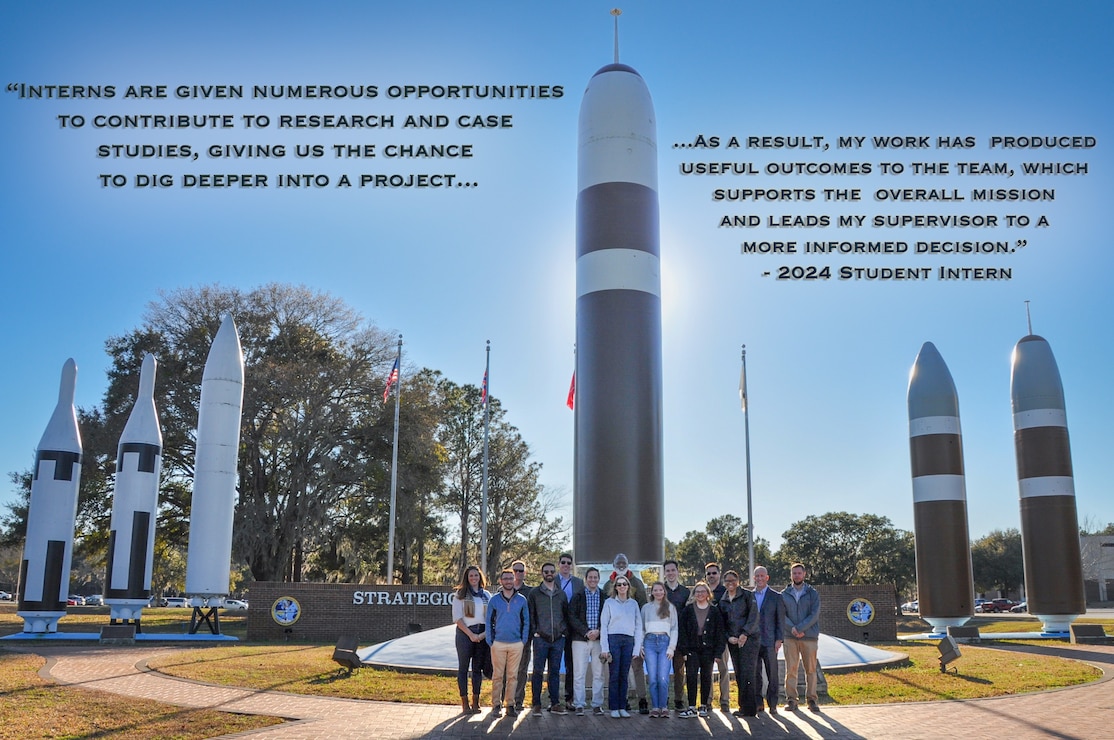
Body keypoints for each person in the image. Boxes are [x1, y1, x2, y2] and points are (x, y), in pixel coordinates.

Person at [602, 553, 648, 713]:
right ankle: (621, 703)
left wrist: (640, 636)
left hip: (632, 635)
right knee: (617, 672)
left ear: (628, 564)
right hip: (614, 636)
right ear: (613, 564)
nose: (621, 565)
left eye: (624, 563)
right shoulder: (608, 583)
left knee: (636, 667)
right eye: (618, 563)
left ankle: (642, 699)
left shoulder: (637, 583)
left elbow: (643, 607)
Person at [677, 580, 727, 718]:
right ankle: (692, 707)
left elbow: (720, 633)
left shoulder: (714, 611)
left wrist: (718, 652)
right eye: (697, 592)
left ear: (708, 594)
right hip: (691, 649)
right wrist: (684, 650)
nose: (700, 594)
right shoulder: (687, 610)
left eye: (702, 591)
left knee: (706, 676)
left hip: (708, 649)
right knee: (691, 677)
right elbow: (682, 631)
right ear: (694, 594)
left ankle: (704, 705)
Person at [526, 562, 570, 715]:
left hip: (558, 639)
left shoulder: (561, 594)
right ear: (542, 573)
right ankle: (536, 704)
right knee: (538, 671)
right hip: (541, 639)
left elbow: (566, 615)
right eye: (546, 571)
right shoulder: (535, 593)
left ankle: (555, 703)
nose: (549, 573)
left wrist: (563, 632)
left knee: (555, 672)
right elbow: (530, 615)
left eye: (552, 571)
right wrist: (535, 632)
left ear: (555, 573)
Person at [486, 568, 530, 717]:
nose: (508, 581)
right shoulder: (494, 600)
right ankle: (496, 705)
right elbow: (488, 621)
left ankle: (510, 704)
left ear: (514, 579)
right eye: (505, 578)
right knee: (497, 676)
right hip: (498, 643)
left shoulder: (522, 599)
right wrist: (490, 640)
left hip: (516, 643)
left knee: (513, 676)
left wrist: (523, 640)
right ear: (501, 581)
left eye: (511, 578)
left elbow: (526, 621)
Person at [599, 575, 643, 718]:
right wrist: (605, 648)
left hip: (628, 641)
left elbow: (638, 626)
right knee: (614, 674)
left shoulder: (634, 604)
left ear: (628, 586)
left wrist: (637, 648)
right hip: (614, 640)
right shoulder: (609, 603)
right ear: (615, 587)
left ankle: (622, 706)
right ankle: (613, 707)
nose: (622, 587)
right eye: (619, 584)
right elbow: (604, 626)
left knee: (624, 675)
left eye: (625, 584)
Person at [718, 569, 760, 717]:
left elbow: (754, 617)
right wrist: (728, 637)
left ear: (738, 581)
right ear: (724, 583)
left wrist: (745, 633)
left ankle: (750, 709)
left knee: (748, 674)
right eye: (727, 581)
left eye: (733, 580)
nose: (730, 583)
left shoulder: (748, 596)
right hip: (733, 641)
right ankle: (743, 707)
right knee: (739, 673)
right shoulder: (722, 601)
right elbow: (722, 623)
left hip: (749, 640)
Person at [781, 562, 821, 713]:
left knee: (810, 670)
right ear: (791, 575)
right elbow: (781, 614)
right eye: (794, 573)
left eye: (799, 573)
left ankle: (812, 700)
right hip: (790, 637)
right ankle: (791, 700)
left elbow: (814, 614)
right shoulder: (784, 594)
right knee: (791, 669)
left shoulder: (812, 593)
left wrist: (800, 628)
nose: (796, 575)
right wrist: (792, 629)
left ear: (804, 574)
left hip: (809, 636)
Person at [452, 565, 491, 715]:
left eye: (476, 575)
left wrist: (482, 635)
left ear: (480, 577)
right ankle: (464, 702)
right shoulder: (460, 595)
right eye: (471, 576)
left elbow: (490, 618)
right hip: (465, 634)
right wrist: (470, 635)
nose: (474, 578)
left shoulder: (487, 595)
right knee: (463, 668)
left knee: (477, 669)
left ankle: (476, 701)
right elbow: (457, 618)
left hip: (482, 634)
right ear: (467, 579)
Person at [568, 566, 607, 715]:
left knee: (598, 673)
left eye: (595, 577)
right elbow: (572, 617)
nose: (593, 580)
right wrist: (586, 632)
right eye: (590, 577)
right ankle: (579, 704)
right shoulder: (577, 596)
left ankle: (597, 704)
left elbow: (607, 618)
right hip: (580, 639)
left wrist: (599, 631)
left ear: (598, 579)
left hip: (599, 640)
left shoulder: (604, 596)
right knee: (579, 673)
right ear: (586, 579)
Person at [640, 581, 679, 718]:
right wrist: (640, 645)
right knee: (653, 678)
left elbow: (674, 629)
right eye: (655, 590)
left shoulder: (670, 608)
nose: (658, 592)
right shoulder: (646, 608)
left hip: (664, 643)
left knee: (663, 678)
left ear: (664, 592)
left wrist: (671, 647)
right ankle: (655, 707)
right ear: (651, 592)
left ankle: (664, 706)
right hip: (649, 643)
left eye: (660, 590)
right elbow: (641, 629)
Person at [751, 565, 783, 714]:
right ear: (754, 578)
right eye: (757, 576)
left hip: (770, 641)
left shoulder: (776, 596)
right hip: (754, 642)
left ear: (767, 577)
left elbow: (780, 620)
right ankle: (758, 703)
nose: (759, 578)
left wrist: (779, 639)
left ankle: (773, 703)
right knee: (755, 674)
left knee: (772, 674)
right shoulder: (749, 596)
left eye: (762, 576)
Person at [556, 552, 584, 709]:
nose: (566, 565)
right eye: (563, 562)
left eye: (569, 563)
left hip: (573, 630)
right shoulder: (552, 581)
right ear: (559, 564)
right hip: (555, 628)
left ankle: (569, 698)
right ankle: (553, 699)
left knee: (571, 665)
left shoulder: (579, 583)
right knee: (553, 665)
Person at [663, 559, 690, 713]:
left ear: (677, 571)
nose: (671, 573)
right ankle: (664, 699)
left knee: (679, 670)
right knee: (664, 670)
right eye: (668, 570)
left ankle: (679, 700)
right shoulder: (660, 591)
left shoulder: (685, 592)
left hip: (680, 637)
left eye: (673, 570)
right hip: (664, 637)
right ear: (665, 573)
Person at [704, 562, 731, 711]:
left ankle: (725, 701)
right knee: (707, 671)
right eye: (708, 573)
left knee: (724, 669)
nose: (711, 576)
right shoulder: (703, 592)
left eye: (714, 573)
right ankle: (708, 701)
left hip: (722, 637)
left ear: (719, 574)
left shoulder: (725, 592)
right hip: (706, 638)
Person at [511, 560, 532, 712]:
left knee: (521, 671)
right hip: (506, 637)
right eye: (515, 570)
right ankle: (507, 700)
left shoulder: (531, 592)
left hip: (524, 638)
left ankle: (518, 700)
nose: (518, 573)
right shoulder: (502, 590)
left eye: (521, 571)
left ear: (525, 573)